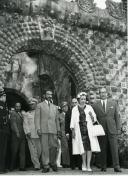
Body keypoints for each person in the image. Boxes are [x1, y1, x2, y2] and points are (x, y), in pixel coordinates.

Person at [92, 87, 122, 172]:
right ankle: (103, 166)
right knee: (103, 148)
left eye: (104, 92)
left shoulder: (113, 103)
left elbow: (117, 116)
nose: (103, 94)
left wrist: (118, 128)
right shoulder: (95, 105)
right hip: (102, 130)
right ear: (99, 94)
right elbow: (93, 119)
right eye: (101, 92)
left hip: (112, 129)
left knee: (114, 148)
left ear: (107, 93)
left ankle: (116, 166)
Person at [70, 92, 100, 172]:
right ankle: (83, 164)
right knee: (82, 147)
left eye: (84, 99)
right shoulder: (74, 109)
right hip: (79, 130)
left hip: (88, 130)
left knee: (89, 147)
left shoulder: (89, 107)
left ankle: (88, 165)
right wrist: (73, 130)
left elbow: (94, 120)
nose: (83, 100)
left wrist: (92, 116)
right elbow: (72, 120)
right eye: (81, 99)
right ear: (79, 100)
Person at [34, 90, 60, 173]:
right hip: (43, 130)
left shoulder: (55, 107)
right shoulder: (39, 105)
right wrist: (38, 128)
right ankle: (46, 165)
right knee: (45, 148)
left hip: (53, 130)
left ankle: (53, 163)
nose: (50, 96)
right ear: (45, 95)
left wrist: (58, 130)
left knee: (54, 147)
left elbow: (57, 120)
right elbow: (37, 118)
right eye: (48, 94)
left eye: (51, 94)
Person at [23, 98, 41, 171]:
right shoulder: (27, 114)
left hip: (39, 134)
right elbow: (25, 124)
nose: (31, 106)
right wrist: (27, 132)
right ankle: (37, 165)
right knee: (33, 152)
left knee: (40, 150)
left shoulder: (40, 113)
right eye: (30, 105)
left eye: (33, 104)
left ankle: (38, 162)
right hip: (31, 135)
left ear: (36, 104)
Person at [10, 102, 26, 171]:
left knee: (22, 152)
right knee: (14, 151)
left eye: (19, 106)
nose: (18, 108)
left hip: (22, 135)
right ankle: (11, 167)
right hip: (16, 136)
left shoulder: (21, 114)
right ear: (15, 107)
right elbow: (13, 124)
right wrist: (17, 132)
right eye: (16, 106)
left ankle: (22, 167)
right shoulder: (13, 113)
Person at [0, 87, 10, 174]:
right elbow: (2, 119)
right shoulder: (1, 105)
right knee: (2, 150)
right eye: (4, 96)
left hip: (4, 131)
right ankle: (1, 168)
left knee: (4, 150)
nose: (5, 97)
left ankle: (2, 167)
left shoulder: (4, 105)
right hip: (2, 131)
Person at [59, 101, 70, 168]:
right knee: (65, 148)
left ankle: (72, 162)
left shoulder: (70, 114)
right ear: (62, 108)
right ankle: (66, 163)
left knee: (70, 148)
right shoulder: (59, 115)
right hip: (63, 133)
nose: (65, 108)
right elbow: (58, 125)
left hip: (70, 132)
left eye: (66, 106)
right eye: (64, 107)